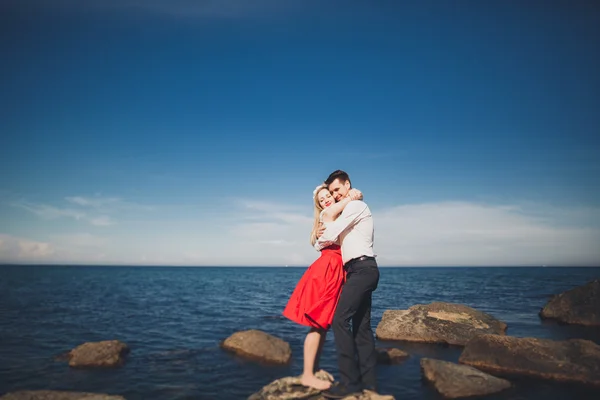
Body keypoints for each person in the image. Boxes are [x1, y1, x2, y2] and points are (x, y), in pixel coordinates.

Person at [283, 183, 363, 391]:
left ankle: (314, 369)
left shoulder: (337, 215)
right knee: (317, 325)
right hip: (326, 271)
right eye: (322, 199)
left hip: (334, 270)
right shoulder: (329, 213)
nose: (326, 199)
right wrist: (353, 195)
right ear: (319, 205)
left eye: (328, 195)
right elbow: (346, 203)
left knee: (322, 326)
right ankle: (308, 375)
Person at [314, 170, 379, 399]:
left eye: (337, 190)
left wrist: (344, 203)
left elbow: (327, 235)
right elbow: (321, 243)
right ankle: (369, 387)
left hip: (362, 269)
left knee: (338, 320)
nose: (335, 195)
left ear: (348, 185)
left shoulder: (354, 207)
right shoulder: (348, 207)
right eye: (331, 192)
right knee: (361, 329)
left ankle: (350, 384)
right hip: (356, 271)